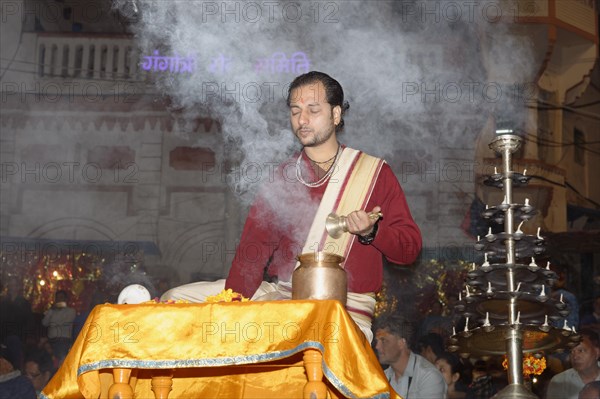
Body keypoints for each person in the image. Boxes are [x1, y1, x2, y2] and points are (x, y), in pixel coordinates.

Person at [161, 71, 422, 342]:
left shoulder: (373, 173)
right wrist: (232, 309)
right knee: (175, 302)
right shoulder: (282, 176)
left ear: (335, 115)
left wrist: (372, 233)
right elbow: (252, 253)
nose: (302, 120)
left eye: (313, 110)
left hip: (344, 312)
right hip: (285, 301)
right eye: (295, 111)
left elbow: (409, 250)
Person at [373, 315, 447, 399]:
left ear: (401, 343)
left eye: (383, 341)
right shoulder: (383, 377)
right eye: (377, 341)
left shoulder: (428, 376)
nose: (377, 346)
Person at [546, 329, 600, 399]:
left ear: (597, 352)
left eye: (581, 351)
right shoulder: (560, 381)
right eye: (571, 352)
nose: (575, 356)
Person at [41, 290, 76, 366]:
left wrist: (53, 322)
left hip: (63, 341)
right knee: (49, 363)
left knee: (60, 364)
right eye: (58, 298)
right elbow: (44, 323)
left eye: (61, 298)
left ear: (66, 299)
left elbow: (64, 323)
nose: (59, 300)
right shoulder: (52, 311)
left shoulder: (71, 311)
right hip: (51, 341)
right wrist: (51, 310)